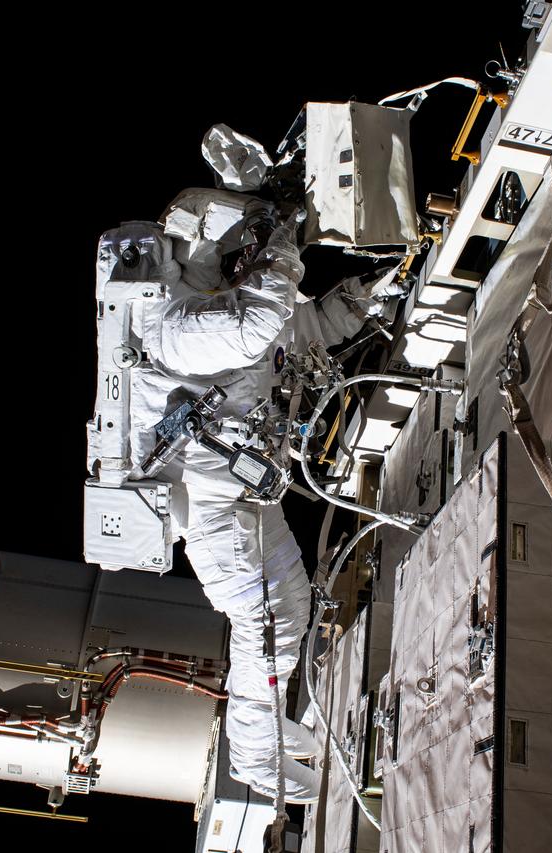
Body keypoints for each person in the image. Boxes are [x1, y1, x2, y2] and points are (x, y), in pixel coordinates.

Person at [101, 175, 401, 803]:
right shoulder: (171, 325)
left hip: (235, 495)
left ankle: (265, 727)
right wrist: (283, 234)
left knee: (287, 611)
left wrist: (365, 298)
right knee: (266, 622)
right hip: (212, 511)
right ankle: (255, 760)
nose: (244, 252)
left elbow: (300, 331)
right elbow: (260, 322)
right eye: (238, 240)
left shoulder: (213, 308)